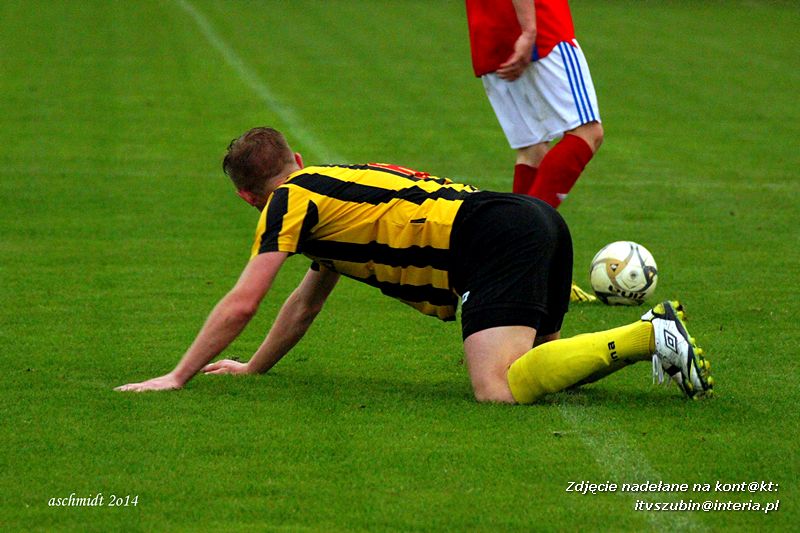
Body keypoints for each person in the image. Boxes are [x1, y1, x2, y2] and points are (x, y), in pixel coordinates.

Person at [116, 127, 713, 403]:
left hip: (492, 240)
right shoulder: (335, 183)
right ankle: (650, 343)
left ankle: (648, 334)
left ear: (249, 197)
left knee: (496, 389)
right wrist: (252, 369)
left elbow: (246, 300)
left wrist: (176, 376)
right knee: (532, 372)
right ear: (296, 157)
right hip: (528, 219)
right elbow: (303, 304)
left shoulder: (284, 204)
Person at [466, 0, 604, 302]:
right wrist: (529, 29)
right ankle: (520, 255)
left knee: (533, 149)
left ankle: (512, 266)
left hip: (490, 34)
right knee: (587, 132)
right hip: (539, 28)